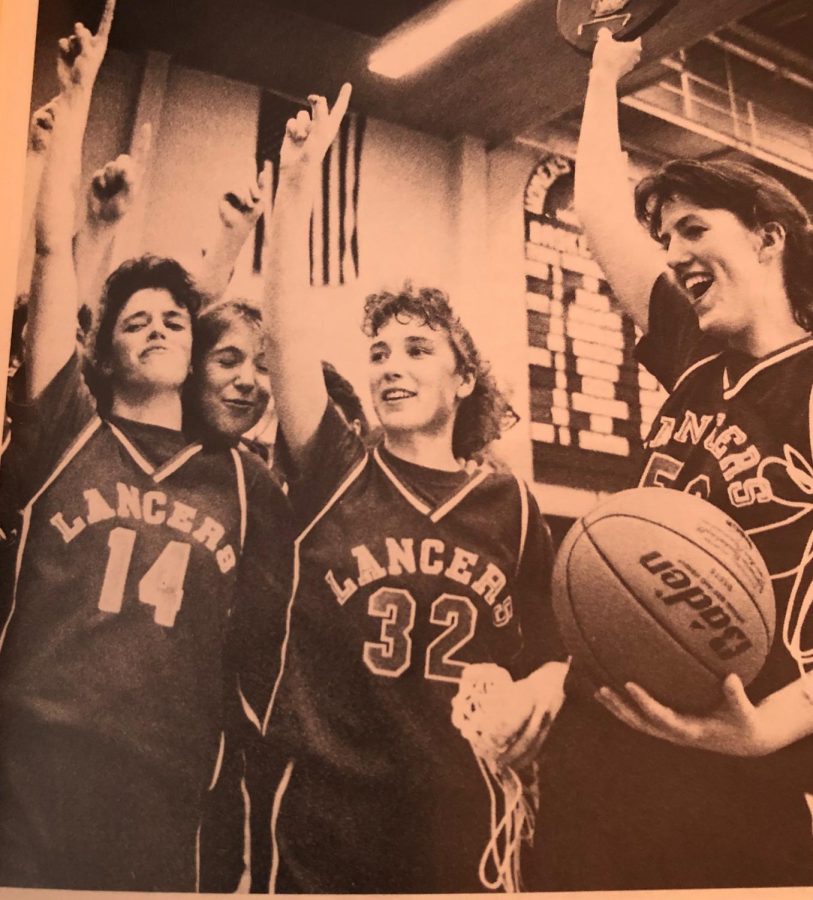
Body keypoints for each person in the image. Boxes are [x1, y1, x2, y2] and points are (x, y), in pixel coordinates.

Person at [0, 4, 291, 889]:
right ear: (105, 348)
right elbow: (55, 255)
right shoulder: (66, 429)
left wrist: (234, 240)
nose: (162, 327)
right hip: (31, 770)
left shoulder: (237, 482)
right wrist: (76, 98)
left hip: (167, 784)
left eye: (176, 319)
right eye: (138, 321)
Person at [257, 85, 568, 894]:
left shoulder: (514, 506)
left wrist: (544, 682)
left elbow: (562, 648)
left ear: (464, 378)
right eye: (381, 352)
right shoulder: (334, 464)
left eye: (417, 350)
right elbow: (282, 330)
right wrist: (294, 187)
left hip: (462, 823)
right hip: (326, 820)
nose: (391, 364)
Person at [526, 29, 813, 891]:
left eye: (695, 228)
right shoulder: (690, 352)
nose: (674, 251)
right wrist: (607, 74)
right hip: (613, 726)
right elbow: (602, 216)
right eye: (667, 234)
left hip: (744, 750)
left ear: (768, 238)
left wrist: (770, 729)